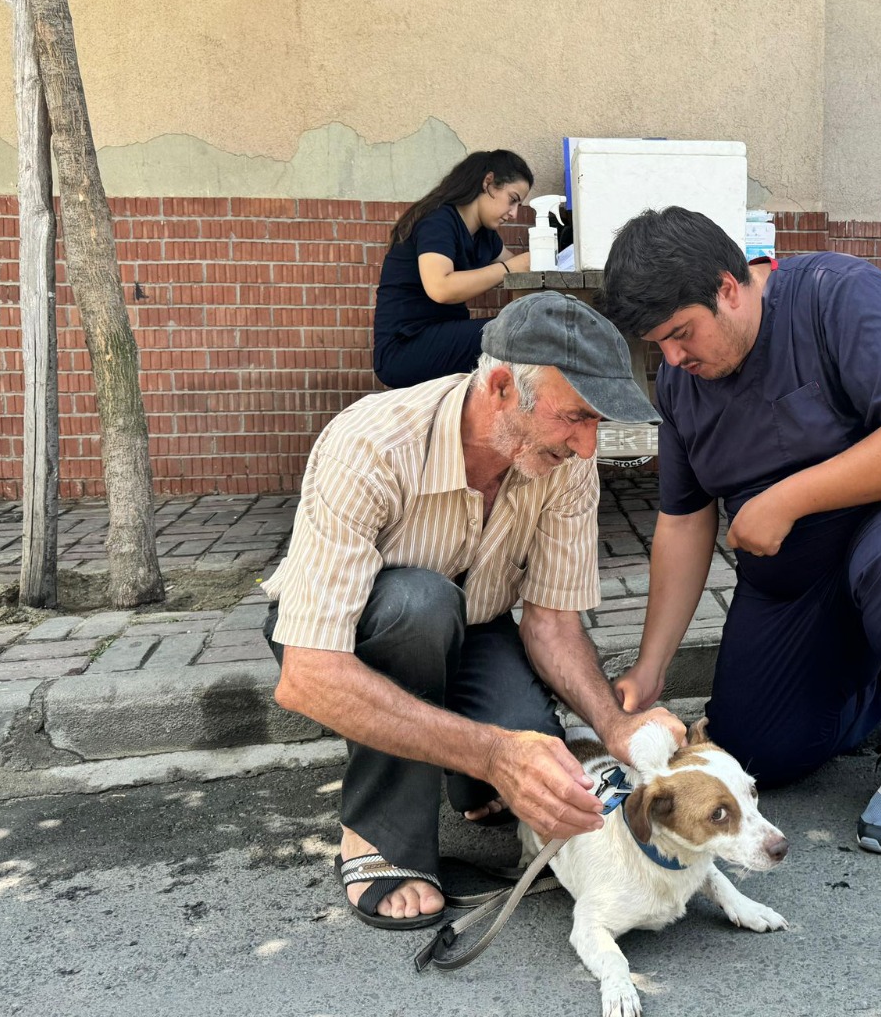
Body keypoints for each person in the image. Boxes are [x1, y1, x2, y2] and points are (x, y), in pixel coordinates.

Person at [601, 209, 881, 856]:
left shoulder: (837, 294)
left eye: (681, 334)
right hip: (802, 567)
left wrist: (788, 498)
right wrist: (651, 668)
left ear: (729, 287)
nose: (674, 357)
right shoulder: (681, 383)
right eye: (659, 345)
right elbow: (684, 521)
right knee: (758, 747)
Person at [263, 292, 680, 929]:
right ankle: (379, 834)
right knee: (421, 607)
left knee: (527, 735)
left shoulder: (565, 463)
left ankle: (466, 779)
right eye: (576, 418)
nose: (589, 446)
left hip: (477, 626)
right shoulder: (370, 444)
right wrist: (491, 754)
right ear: (504, 386)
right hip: (349, 633)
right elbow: (308, 674)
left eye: (598, 422)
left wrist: (615, 727)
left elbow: (552, 622)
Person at [373, 150, 534, 390]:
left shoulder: (485, 236)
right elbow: (441, 287)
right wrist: (510, 267)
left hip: (442, 337)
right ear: (488, 183)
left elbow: (520, 274)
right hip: (405, 347)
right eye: (512, 199)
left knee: (531, 331)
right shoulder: (438, 221)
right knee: (517, 334)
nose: (514, 213)